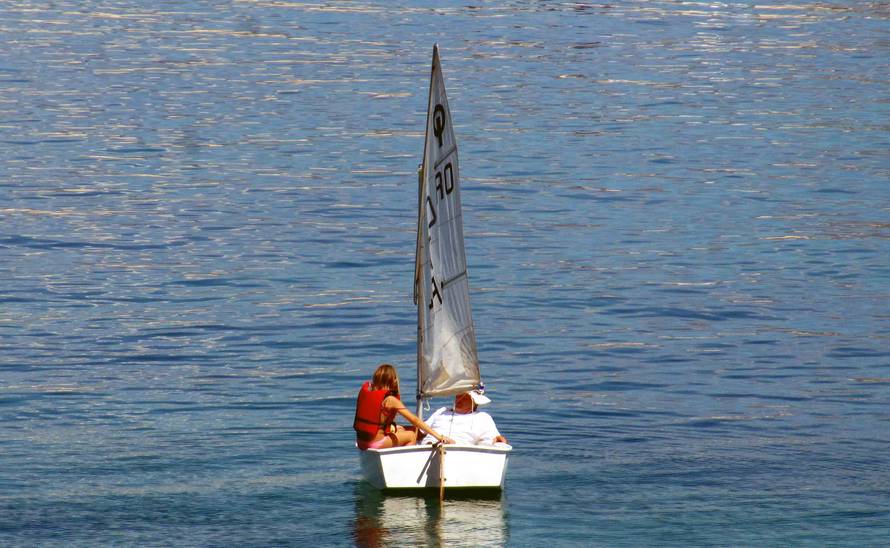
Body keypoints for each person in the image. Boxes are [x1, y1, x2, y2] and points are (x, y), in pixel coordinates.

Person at [354, 364, 455, 450]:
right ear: (393, 381)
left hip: (361, 442)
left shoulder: (369, 393)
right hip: (375, 443)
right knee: (411, 435)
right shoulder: (390, 400)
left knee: (402, 429)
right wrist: (439, 437)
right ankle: (405, 464)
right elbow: (415, 420)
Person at [420, 388, 508, 446]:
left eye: (464, 397)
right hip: (426, 448)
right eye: (458, 395)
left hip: (458, 452)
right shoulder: (442, 411)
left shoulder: (482, 418)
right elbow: (421, 431)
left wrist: (501, 441)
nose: (459, 399)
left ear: (474, 401)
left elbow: (492, 441)